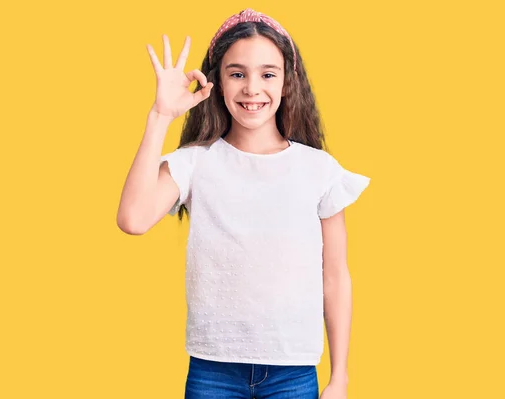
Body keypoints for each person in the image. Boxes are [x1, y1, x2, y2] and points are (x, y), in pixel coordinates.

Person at [117, 8, 370, 399]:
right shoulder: (195, 161)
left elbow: (335, 278)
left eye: (268, 74)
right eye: (237, 74)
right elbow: (133, 219)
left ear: (288, 83)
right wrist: (160, 115)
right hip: (212, 370)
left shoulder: (319, 170)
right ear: (217, 82)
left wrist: (340, 378)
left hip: (294, 371)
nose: (252, 88)